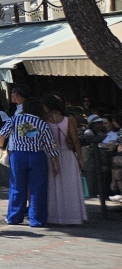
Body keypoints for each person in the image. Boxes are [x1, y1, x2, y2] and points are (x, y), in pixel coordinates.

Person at [1, 96, 58, 228]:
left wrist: (1, 148)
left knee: (17, 187)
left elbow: (2, 133)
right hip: (37, 156)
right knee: (38, 189)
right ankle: (36, 219)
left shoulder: (15, 119)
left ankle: (14, 217)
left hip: (18, 155)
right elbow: (50, 145)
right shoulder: (43, 123)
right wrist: (55, 162)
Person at [42, 94, 87, 225]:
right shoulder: (69, 119)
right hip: (66, 154)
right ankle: (72, 215)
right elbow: (75, 140)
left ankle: (52, 215)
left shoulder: (44, 119)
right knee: (69, 186)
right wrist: (79, 157)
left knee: (51, 186)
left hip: (49, 154)